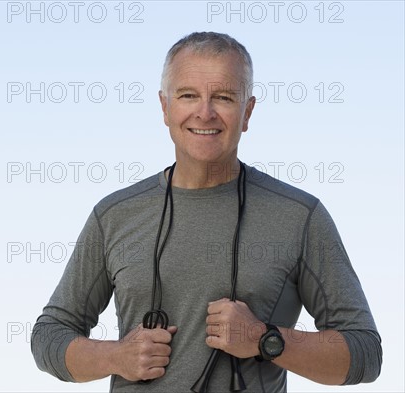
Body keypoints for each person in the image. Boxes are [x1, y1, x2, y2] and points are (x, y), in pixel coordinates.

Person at [30, 32, 382, 392]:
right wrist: (116, 356)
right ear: (165, 108)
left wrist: (265, 339)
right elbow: (48, 337)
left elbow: (365, 353)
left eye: (224, 98)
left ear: (247, 112)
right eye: (188, 95)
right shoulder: (114, 215)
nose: (205, 112)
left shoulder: (300, 216)